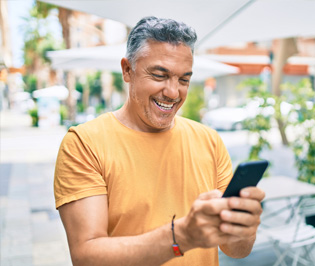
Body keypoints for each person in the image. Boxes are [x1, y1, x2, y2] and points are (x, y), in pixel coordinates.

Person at [54, 16, 265, 266]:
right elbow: (86, 257)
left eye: (184, 79)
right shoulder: (83, 144)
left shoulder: (209, 140)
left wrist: (244, 226)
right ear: (127, 70)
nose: (173, 92)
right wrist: (182, 236)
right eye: (159, 75)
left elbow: (236, 250)